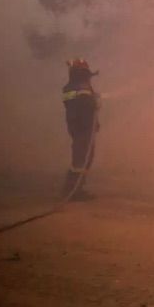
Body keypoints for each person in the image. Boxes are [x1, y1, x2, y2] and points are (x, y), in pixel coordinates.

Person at [62, 58, 100, 201]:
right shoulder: (74, 87)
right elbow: (81, 106)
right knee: (80, 160)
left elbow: (86, 105)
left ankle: (76, 188)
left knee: (85, 158)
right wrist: (92, 102)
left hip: (84, 127)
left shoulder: (77, 87)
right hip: (81, 128)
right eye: (85, 73)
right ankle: (72, 191)